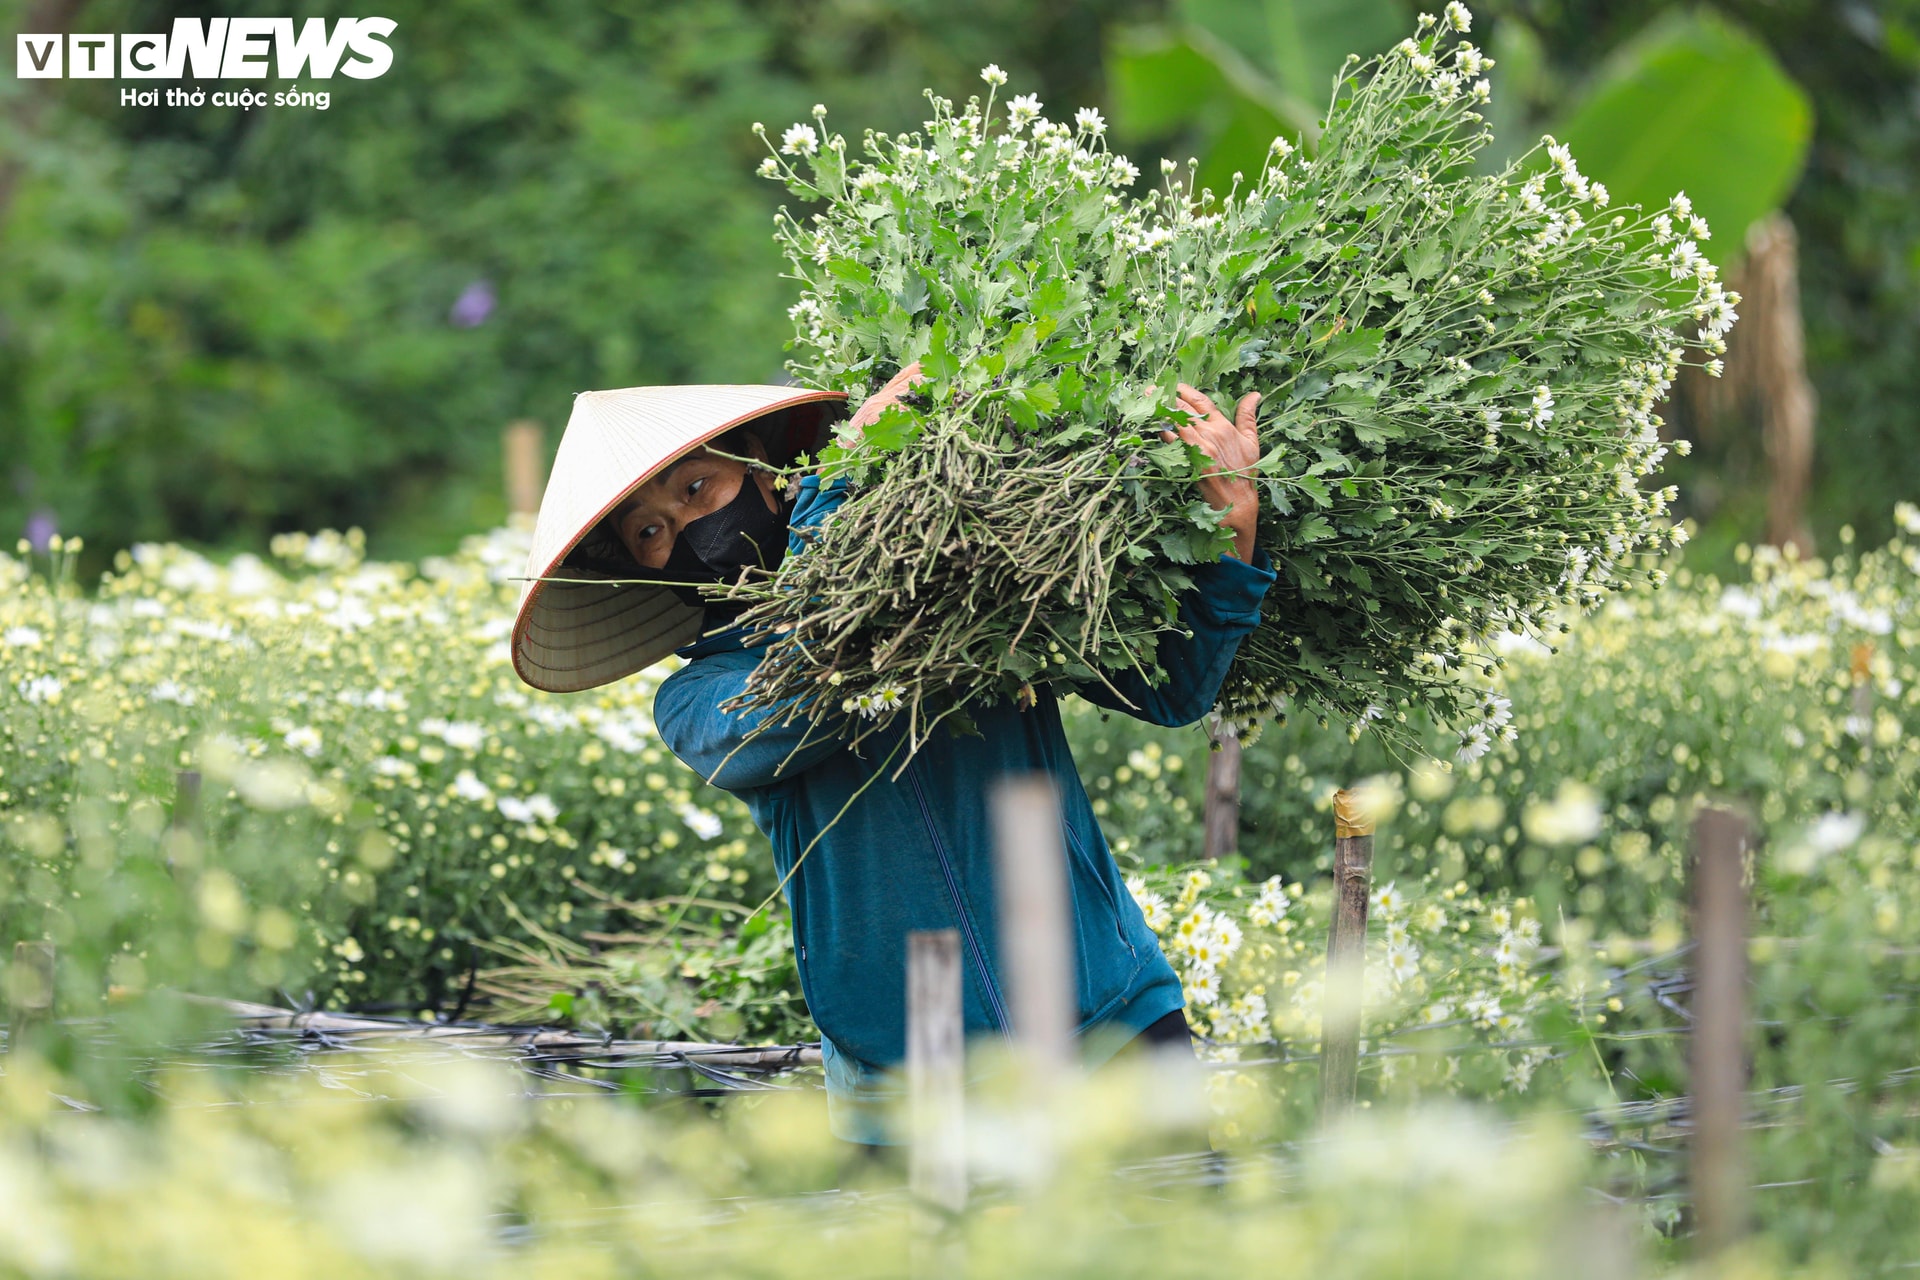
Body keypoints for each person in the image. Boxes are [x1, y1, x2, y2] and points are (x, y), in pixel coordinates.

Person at [512, 372, 1272, 1143]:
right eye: (651, 534)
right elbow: (815, 683)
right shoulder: (700, 699)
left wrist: (1232, 536)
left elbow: (1168, 691)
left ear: (770, 476)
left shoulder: (958, 578)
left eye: (698, 487)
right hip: (910, 1090)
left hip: (1108, 1024)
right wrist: (838, 514)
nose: (686, 530)